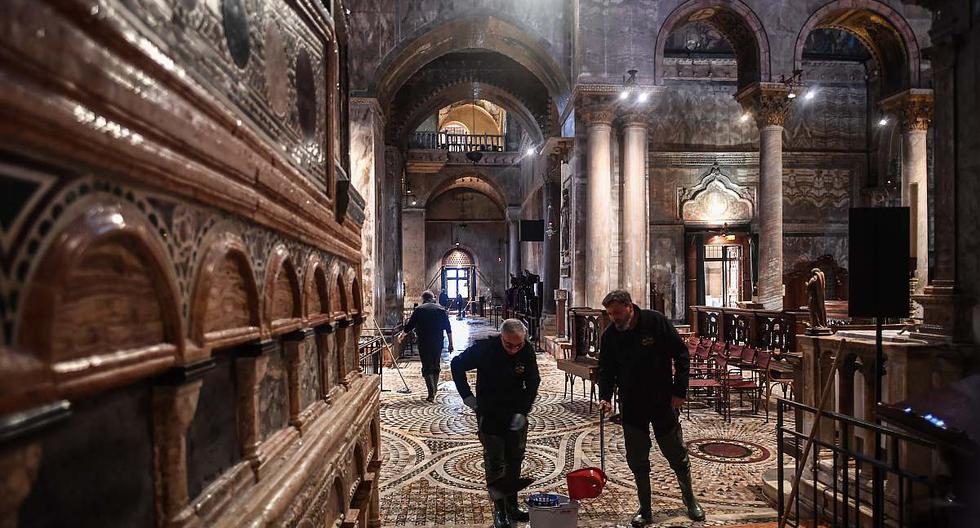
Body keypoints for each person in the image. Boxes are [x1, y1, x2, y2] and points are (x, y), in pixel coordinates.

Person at [597, 290, 704, 526]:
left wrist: (679, 391)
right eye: (610, 314)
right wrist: (605, 397)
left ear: (629, 307)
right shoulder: (610, 335)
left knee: (675, 453)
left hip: (662, 400)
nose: (613, 318)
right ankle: (645, 509)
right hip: (632, 404)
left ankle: (691, 501)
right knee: (637, 458)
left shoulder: (654, 321)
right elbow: (606, 369)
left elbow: (681, 353)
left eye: (616, 313)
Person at [451, 319, 540, 528]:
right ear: (502, 337)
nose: (514, 350)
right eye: (509, 345)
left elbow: (533, 381)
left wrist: (523, 410)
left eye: (518, 345)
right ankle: (499, 512)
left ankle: (512, 506)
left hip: (515, 415)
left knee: (515, 460)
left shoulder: (526, 350)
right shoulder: (484, 349)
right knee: (496, 463)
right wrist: (466, 396)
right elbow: (456, 364)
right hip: (490, 414)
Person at [398, 291, 454, 402]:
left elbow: (410, 325)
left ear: (423, 299)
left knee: (427, 365)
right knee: (436, 364)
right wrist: (451, 344)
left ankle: (431, 392)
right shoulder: (441, 310)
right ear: (433, 298)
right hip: (438, 341)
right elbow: (448, 328)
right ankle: (434, 389)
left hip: (424, 342)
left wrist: (402, 335)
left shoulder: (419, 310)